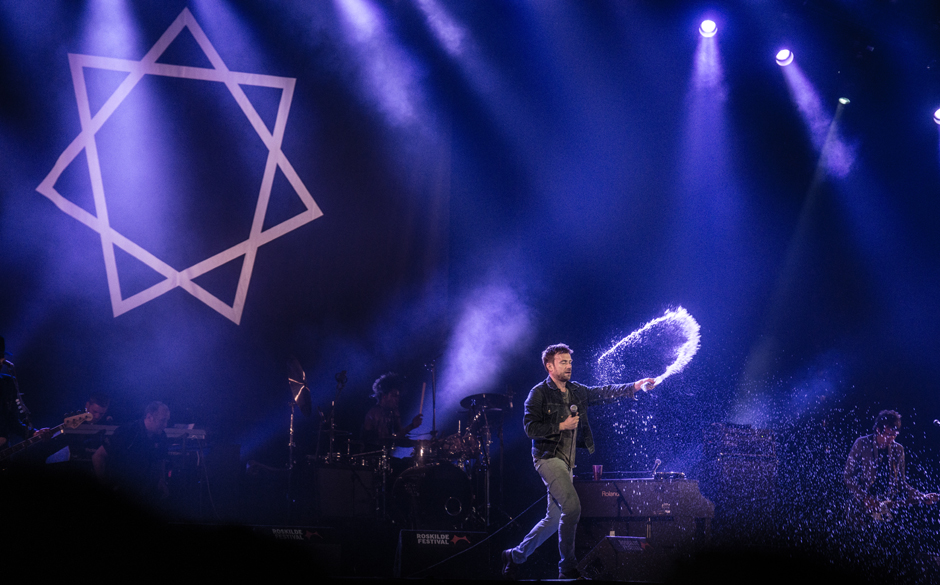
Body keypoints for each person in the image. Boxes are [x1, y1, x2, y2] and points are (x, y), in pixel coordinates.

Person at [502, 343, 655, 580]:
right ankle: (567, 568)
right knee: (572, 507)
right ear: (549, 366)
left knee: (553, 519)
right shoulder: (538, 393)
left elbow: (603, 392)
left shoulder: (576, 391)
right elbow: (531, 428)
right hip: (548, 458)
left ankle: (514, 556)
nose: (569, 366)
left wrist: (634, 386)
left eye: (570, 362)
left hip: (567, 462)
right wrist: (561, 425)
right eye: (563, 362)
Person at [844, 410, 938, 527]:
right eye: (888, 434)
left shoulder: (898, 449)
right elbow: (848, 477)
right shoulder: (861, 443)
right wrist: (865, 498)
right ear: (878, 430)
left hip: (885, 506)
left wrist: (922, 496)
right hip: (860, 506)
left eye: (895, 435)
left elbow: (901, 483)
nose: (891, 438)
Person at [92, 401, 171, 503]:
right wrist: (104, 485)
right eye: (162, 420)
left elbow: (160, 460)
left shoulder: (161, 436)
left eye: (167, 420)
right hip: (122, 491)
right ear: (149, 417)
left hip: (145, 493)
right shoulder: (128, 432)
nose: (165, 425)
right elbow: (98, 456)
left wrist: (161, 480)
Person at [361, 372, 423, 446]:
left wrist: (420, 443)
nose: (397, 399)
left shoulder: (393, 412)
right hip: (371, 453)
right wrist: (411, 426)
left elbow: (399, 439)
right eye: (394, 396)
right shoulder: (375, 413)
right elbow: (385, 441)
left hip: (385, 453)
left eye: (398, 396)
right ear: (384, 395)